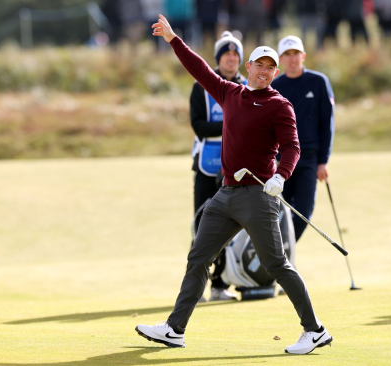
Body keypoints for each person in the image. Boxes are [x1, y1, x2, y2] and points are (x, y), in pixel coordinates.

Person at [136, 14, 332, 355]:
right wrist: (173, 39)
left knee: (277, 266)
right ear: (249, 65)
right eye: (260, 65)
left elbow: (293, 148)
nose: (265, 72)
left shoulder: (279, 105)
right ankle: (175, 329)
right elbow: (199, 70)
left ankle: (314, 330)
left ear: (274, 73)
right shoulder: (230, 93)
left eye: (271, 68)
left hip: (259, 196)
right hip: (225, 194)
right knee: (198, 257)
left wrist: (280, 176)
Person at [190, 31, 247, 301]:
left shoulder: (247, 86)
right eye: (227, 54)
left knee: (227, 227)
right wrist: (230, 125)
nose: (232, 58)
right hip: (207, 164)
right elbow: (199, 126)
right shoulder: (201, 85)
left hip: (235, 166)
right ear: (218, 58)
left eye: (236, 54)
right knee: (202, 226)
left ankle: (219, 285)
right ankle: (195, 287)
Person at [271, 35, 334, 242]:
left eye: (296, 53)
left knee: (303, 213)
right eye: (287, 54)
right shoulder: (275, 87)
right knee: (279, 214)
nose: (292, 58)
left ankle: (280, 257)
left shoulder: (318, 82)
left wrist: (323, 161)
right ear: (280, 59)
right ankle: (276, 262)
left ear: (303, 55)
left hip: (309, 158)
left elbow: (327, 124)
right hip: (281, 161)